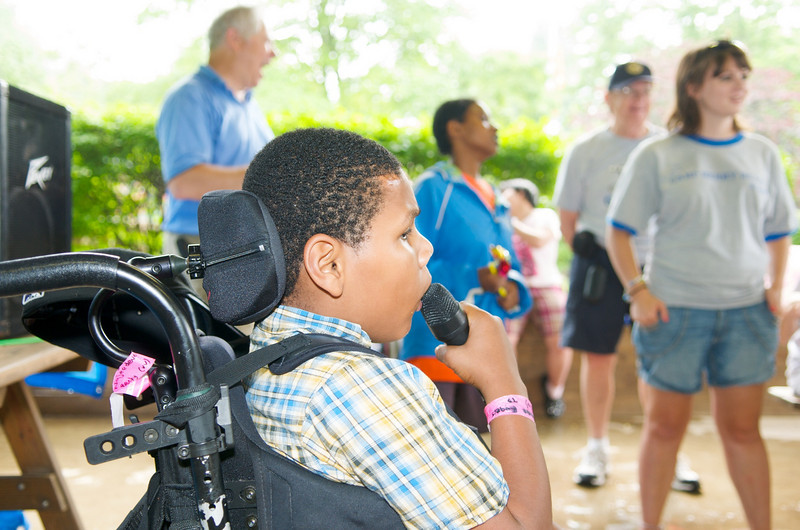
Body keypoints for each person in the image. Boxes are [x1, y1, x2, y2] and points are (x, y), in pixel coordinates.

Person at [241, 127, 554, 528]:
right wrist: (505, 384)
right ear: (328, 264)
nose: (426, 248)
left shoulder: (263, 353)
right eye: (405, 233)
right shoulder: (365, 389)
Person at [605, 40, 797, 530]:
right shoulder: (658, 154)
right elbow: (618, 231)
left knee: (742, 431)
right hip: (674, 313)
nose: (740, 85)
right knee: (664, 428)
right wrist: (638, 291)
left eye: (743, 76)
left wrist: (775, 289)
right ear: (693, 87)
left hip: (747, 313)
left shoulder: (761, 152)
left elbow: (779, 230)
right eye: (725, 76)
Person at [553, 61, 667, 488]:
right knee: (597, 356)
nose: (638, 100)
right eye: (628, 91)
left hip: (656, 265)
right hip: (599, 264)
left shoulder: (666, 146)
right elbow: (567, 216)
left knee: (659, 357)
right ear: (608, 98)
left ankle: (665, 446)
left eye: (644, 91)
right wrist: (585, 247)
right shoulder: (586, 150)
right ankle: (596, 447)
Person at [397, 99, 532, 433]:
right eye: (483, 119)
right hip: (433, 344)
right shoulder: (434, 187)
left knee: (484, 446)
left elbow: (507, 263)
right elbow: (408, 258)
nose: (494, 127)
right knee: (433, 444)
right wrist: (473, 277)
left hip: (485, 347)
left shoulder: (498, 199)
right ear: (455, 129)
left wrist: (511, 286)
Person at [156, 5, 276, 261]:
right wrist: (270, 176)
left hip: (244, 247)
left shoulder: (250, 105)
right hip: (202, 248)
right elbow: (185, 182)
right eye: (266, 42)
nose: (273, 53)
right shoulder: (189, 98)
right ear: (235, 39)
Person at [500, 178, 573, 418]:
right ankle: (511, 395)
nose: (502, 196)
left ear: (521, 194)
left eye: (507, 192)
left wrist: (511, 222)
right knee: (505, 340)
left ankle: (555, 392)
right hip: (515, 286)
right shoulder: (501, 221)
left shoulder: (544, 215)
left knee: (560, 340)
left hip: (546, 285)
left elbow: (540, 240)